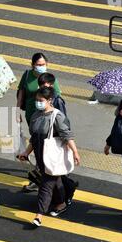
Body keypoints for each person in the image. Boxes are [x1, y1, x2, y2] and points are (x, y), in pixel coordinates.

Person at [17, 87, 80, 227]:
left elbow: (67, 135)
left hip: (53, 157)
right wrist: (27, 152)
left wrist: (75, 152)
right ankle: (62, 201)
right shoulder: (35, 115)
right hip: (41, 155)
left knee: (45, 184)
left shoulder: (57, 116)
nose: (38, 103)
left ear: (50, 100)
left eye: (41, 100)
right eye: (37, 100)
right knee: (54, 180)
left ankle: (39, 214)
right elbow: (34, 138)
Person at [16, 54, 62, 192]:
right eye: (38, 64)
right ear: (32, 65)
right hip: (31, 115)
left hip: (46, 120)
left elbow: (57, 97)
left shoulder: (49, 79)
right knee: (36, 145)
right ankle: (39, 175)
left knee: (41, 148)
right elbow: (21, 93)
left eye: (43, 64)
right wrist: (17, 111)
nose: (41, 67)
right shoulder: (27, 75)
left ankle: (41, 177)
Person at [38, 73, 78, 211]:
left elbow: (64, 124)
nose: (43, 87)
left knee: (51, 178)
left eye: (45, 85)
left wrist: (72, 149)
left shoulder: (57, 102)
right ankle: (60, 199)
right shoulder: (39, 101)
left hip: (54, 143)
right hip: (43, 144)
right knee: (54, 176)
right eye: (41, 85)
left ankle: (43, 209)